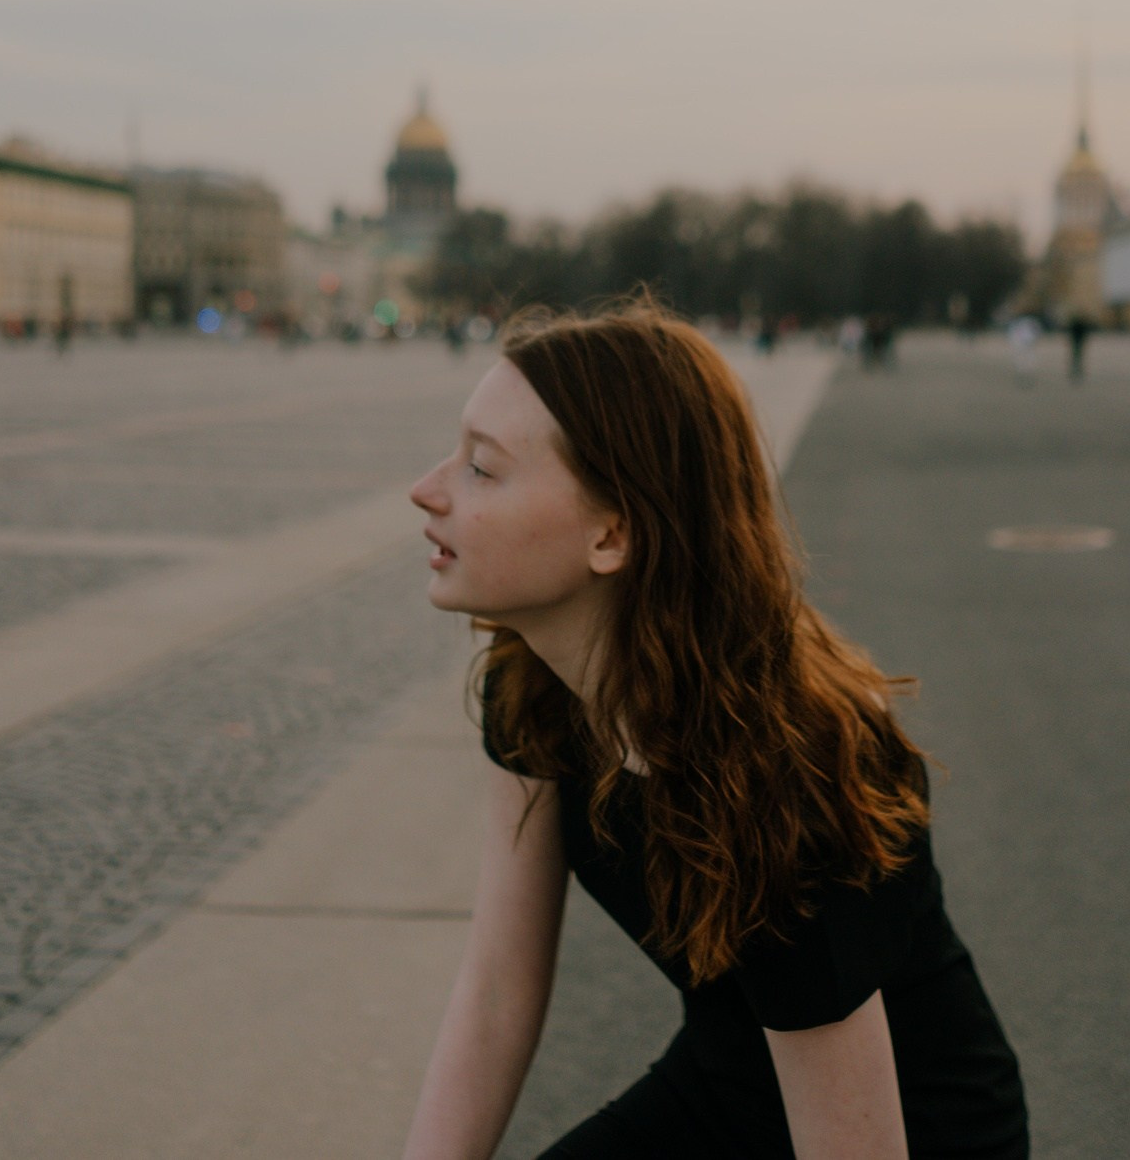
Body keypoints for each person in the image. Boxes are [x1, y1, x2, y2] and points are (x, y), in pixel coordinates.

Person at [402, 306, 1028, 1160]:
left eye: (481, 467)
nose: (428, 488)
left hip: (916, 1130)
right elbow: (498, 994)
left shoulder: (775, 772)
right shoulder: (535, 685)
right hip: (727, 1088)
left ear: (613, 532)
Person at [1066, 313, 1091, 383]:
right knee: (1078, 356)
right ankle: (1077, 369)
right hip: (1078, 342)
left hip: (1076, 342)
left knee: (1075, 356)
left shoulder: (1075, 325)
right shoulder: (1081, 325)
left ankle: (1075, 369)